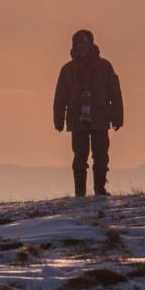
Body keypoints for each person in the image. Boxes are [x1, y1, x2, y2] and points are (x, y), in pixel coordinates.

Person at [53, 30, 124, 196]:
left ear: (91, 45)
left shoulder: (105, 67)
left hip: (100, 118)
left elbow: (115, 93)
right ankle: (80, 193)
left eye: (84, 44)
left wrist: (117, 118)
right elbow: (60, 97)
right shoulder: (67, 70)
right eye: (78, 44)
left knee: (101, 157)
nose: (81, 47)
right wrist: (58, 120)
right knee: (79, 158)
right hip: (77, 121)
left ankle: (100, 190)